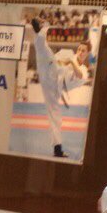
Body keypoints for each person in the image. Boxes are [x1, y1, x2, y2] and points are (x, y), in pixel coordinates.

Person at [30, 18, 67, 159]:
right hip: (49, 82)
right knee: (54, 114)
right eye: (40, 22)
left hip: (52, 80)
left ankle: (57, 147)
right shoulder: (39, 40)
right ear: (38, 26)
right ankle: (57, 148)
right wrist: (48, 23)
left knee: (56, 115)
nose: (43, 23)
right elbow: (43, 29)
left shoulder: (42, 43)